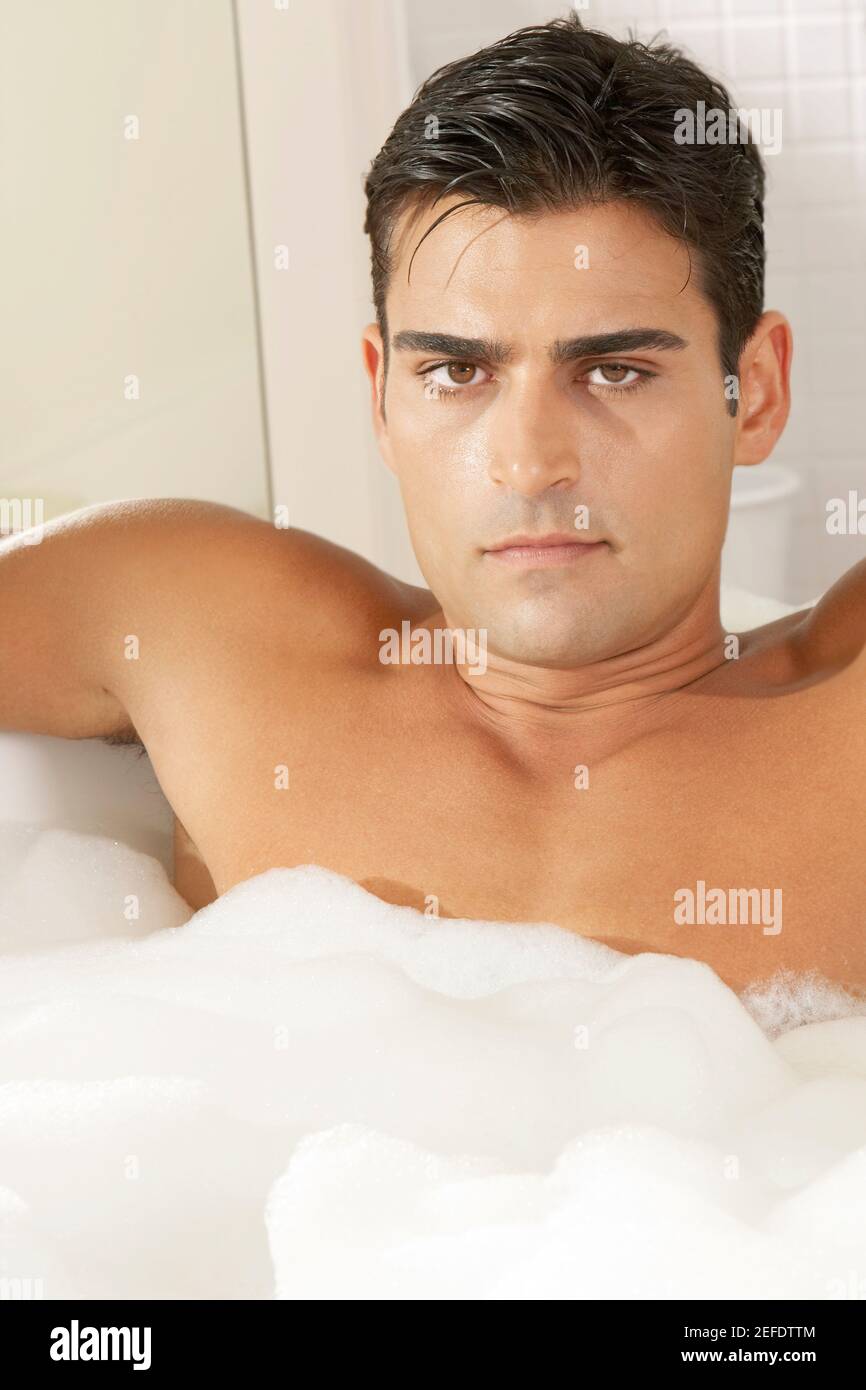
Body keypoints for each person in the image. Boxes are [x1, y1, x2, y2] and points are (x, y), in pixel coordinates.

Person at [2, 16, 863, 994]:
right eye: (457, 371)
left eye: (614, 371)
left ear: (753, 391)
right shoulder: (209, 634)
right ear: (380, 392)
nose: (530, 463)